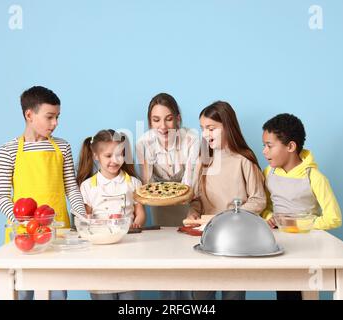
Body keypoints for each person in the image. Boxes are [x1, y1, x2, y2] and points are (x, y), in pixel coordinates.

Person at [0, 86, 86, 300]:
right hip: (24, 235)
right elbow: (1, 196)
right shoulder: (8, 150)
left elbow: (71, 188)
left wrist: (83, 218)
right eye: (49, 117)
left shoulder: (62, 147)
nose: (55, 123)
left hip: (58, 233)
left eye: (57, 117)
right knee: (23, 293)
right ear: (29, 115)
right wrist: (24, 221)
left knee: (56, 295)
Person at [188, 101, 267, 300]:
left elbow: (258, 200)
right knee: (201, 296)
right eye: (202, 129)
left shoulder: (244, 161)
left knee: (233, 294)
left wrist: (227, 218)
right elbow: (198, 198)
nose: (206, 134)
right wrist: (194, 211)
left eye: (211, 128)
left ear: (227, 126)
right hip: (206, 237)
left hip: (235, 241)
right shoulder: (203, 161)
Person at [261, 113, 342, 300]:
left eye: (269, 146)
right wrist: (268, 217)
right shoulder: (268, 172)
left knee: (306, 293)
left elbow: (334, 217)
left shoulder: (314, 177)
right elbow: (264, 207)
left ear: (290, 146)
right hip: (279, 244)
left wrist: (299, 225)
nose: (264, 151)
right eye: (263, 146)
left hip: (309, 246)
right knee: (284, 292)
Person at [136, 93, 199, 300]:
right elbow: (146, 185)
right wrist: (158, 196)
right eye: (156, 120)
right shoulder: (143, 143)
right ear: (150, 122)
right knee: (165, 258)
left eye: (168, 119)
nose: (162, 126)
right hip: (159, 203)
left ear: (178, 119)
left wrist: (183, 198)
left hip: (188, 202)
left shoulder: (192, 139)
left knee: (190, 258)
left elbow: (189, 182)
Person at [77, 129, 146, 300]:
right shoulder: (87, 186)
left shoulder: (133, 183)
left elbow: (140, 213)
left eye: (119, 155)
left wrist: (136, 223)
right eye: (108, 156)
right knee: (103, 293)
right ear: (95, 156)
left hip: (128, 248)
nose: (114, 161)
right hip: (99, 253)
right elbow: (86, 218)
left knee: (129, 296)